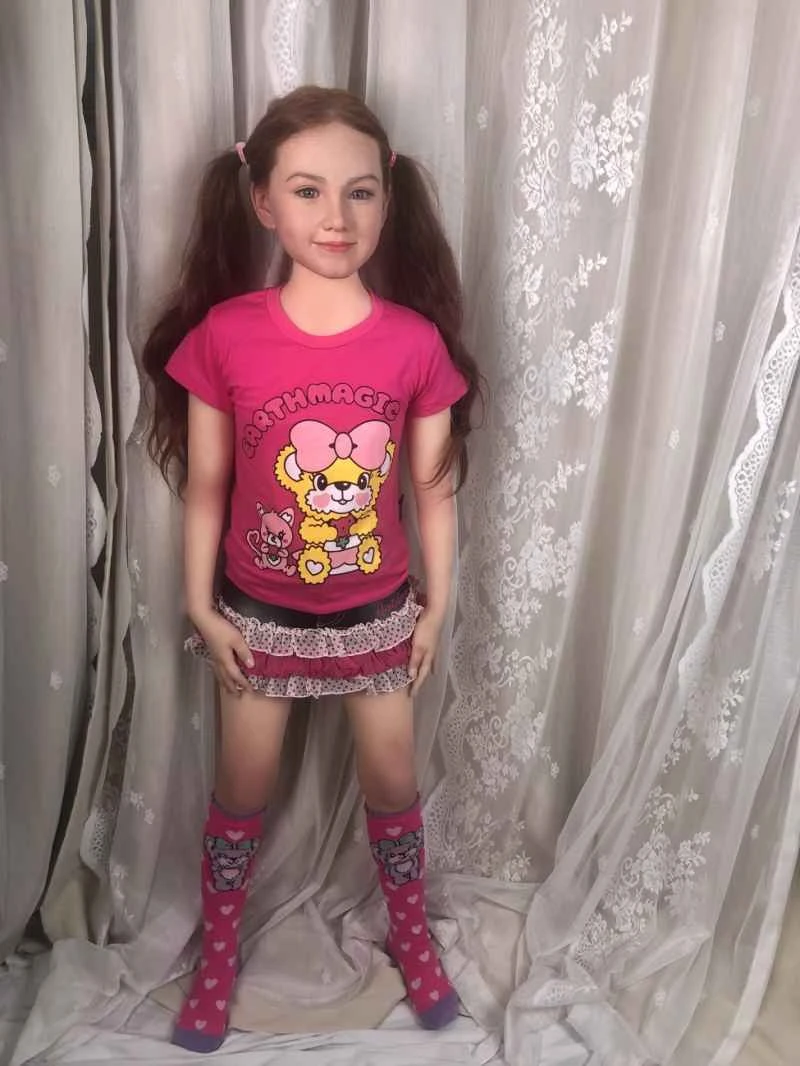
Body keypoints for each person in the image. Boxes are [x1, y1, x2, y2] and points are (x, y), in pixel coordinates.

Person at [142, 85, 480, 1053]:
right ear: (261, 201)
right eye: (307, 190)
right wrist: (200, 603)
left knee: (391, 778)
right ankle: (217, 956)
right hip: (259, 613)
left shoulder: (413, 343)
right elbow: (208, 484)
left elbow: (432, 489)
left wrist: (435, 607)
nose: (336, 216)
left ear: (388, 199)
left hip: (377, 610)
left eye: (359, 192)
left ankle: (410, 935)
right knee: (241, 785)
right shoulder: (225, 336)